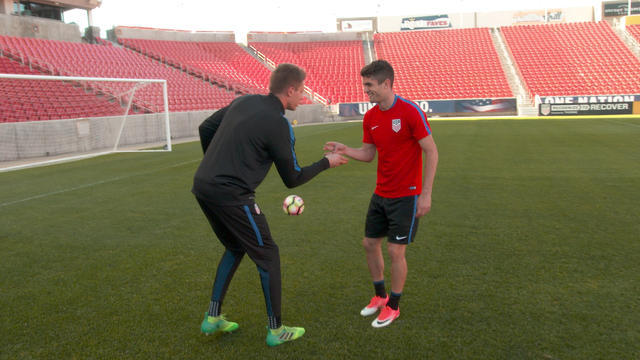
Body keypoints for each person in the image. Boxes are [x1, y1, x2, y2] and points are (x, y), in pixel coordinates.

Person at [193, 63, 348, 346]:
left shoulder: (245, 100)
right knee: (268, 256)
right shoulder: (279, 124)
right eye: (301, 91)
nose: (303, 97)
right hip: (231, 195)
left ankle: (213, 317)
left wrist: (214, 164)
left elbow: (206, 128)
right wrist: (327, 162)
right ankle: (276, 330)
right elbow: (293, 178)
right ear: (290, 90)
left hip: (203, 186)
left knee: (236, 246)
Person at [324, 60, 438, 328]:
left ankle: (393, 307)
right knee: (369, 243)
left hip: (407, 195)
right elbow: (368, 154)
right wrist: (345, 149)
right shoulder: (371, 117)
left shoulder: (410, 112)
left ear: (386, 83)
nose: (366, 90)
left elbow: (431, 151)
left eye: (370, 85)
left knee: (395, 250)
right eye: (365, 85)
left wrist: (426, 194)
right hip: (381, 193)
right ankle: (379, 296)